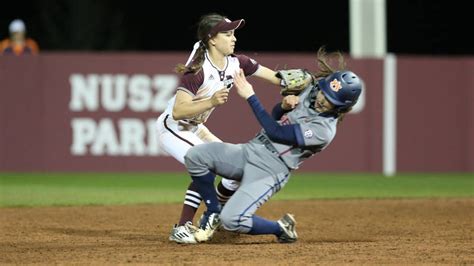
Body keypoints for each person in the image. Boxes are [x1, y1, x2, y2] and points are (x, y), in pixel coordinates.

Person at [183, 48, 363, 243]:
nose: (322, 99)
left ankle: (280, 228)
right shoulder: (310, 90)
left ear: (341, 107)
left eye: (330, 101)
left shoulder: (324, 131)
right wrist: (283, 107)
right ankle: (213, 211)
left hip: (271, 170)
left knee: (232, 220)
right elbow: (276, 117)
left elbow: (275, 133)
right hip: (250, 150)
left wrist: (250, 96)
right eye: (324, 93)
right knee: (195, 156)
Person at [156, 13, 283, 244]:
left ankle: (219, 218)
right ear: (212, 39)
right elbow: (178, 110)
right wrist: (211, 102)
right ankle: (183, 225)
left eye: (233, 32)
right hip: (173, 127)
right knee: (206, 161)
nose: (233, 38)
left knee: (238, 170)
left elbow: (274, 77)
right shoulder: (198, 68)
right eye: (227, 33)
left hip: (197, 127)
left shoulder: (237, 62)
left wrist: (305, 82)